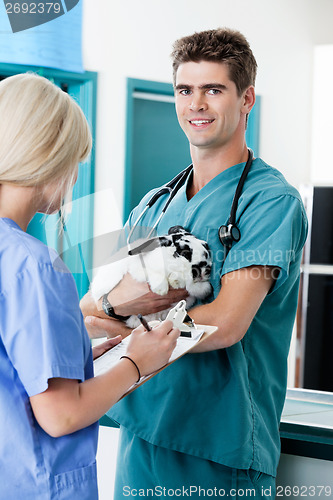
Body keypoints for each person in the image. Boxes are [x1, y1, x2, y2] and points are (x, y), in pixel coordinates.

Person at [81, 28, 308, 498]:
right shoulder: (153, 204)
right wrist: (118, 310)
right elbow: (92, 309)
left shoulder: (271, 203)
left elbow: (227, 323)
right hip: (142, 435)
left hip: (219, 449)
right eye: (185, 90)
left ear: (246, 99)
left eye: (213, 89)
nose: (196, 104)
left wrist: (127, 324)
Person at [0, 73, 180, 500]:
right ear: (46, 156)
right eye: (75, 162)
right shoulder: (34, 264)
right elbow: (61, 416)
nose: (74, 177)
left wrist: (74, 345)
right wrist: (137, 361)